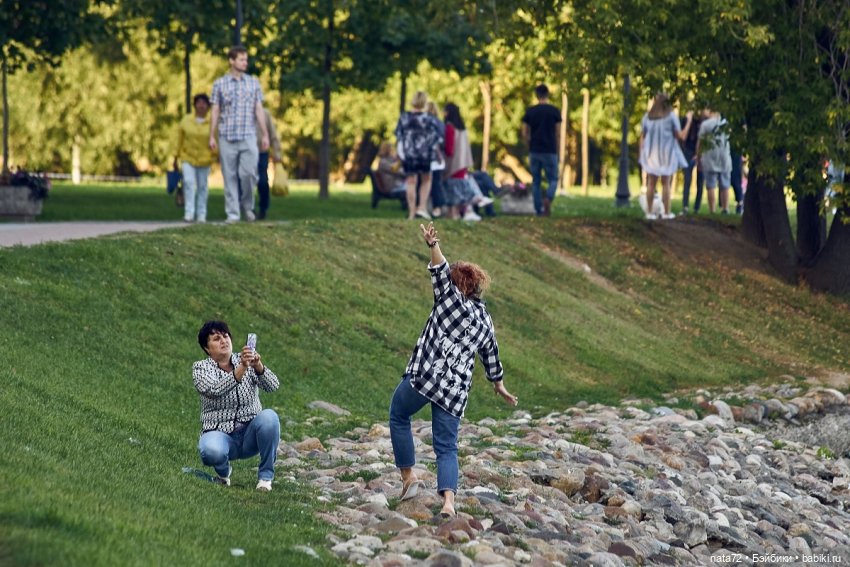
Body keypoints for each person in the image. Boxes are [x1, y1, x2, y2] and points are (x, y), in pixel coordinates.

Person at [389, 222, 518, 518]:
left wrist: (433, 245)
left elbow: (439, 268)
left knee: (398, 412)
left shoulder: (448, 298)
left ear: (456, 284)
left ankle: (408, 478)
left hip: (425, 378)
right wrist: (498, 385)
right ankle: (448, 502)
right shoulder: (485, 319)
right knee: (447, 447)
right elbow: (491, 353)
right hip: (454, 391)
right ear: (475, 286)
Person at [193, 320, 280, 492]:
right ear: (207, 348)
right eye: (217, 339)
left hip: (250, 435)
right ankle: (223, 474)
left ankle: (265, 478)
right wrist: (242, 368)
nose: (224, 341)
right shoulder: (200, 368)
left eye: (226, 336)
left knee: (269, 417)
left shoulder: (246, 361)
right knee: (210, 450)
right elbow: (215, 390)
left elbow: (273, 386)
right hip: (220, 434)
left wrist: (258, 367)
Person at [209, 46, 269, 223]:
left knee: (249, 174)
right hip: (226, 136)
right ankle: (233, 214)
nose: (245, 63)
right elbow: (215, 110)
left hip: (248, 135)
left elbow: (259, 109)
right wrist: (211, 135)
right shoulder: (219, 84)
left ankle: (248, 207)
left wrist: (265, 134)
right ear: (231, 61)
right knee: (230, 176)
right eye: (242, 59)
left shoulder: (253, 83)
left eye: (246, 60)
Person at [639, 93, 693, 220]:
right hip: (667, 154)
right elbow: (681, 136)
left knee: (651, 183)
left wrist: (642, 153)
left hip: (651, 154)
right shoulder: (671, 117)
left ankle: (650, 212)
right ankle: (666, 213)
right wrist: (689, 121)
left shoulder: (647, 117)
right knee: (666, 183)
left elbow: (642, 136)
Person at [396, 92, 443, 220]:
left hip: (409, 154)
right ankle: (421, 207)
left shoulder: (404, 118)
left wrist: (401, 153)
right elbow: (437, 138)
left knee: (411, 182)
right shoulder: (430, 119)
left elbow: (399, 137)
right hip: (425, 154)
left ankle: (411, 212)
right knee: (426, 179)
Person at [443, 102, 493, 221]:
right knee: (461, 189)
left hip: (453, 165)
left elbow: (449, 150)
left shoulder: (450, 127)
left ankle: (454, 214)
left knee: (453, 192)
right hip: (463, 164)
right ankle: (461, 213)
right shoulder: (462, 128)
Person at [174, 93, 216, 223]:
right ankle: (189, 213)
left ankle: (201, 214)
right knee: (189, 183)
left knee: (202, 186)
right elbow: (178, 139)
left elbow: (216, 141)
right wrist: (175, 156)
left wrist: (215, 156)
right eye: (199, 102)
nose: (201, 105)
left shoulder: (212, 122)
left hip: (205, 159)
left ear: (208, 106)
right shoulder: (186, 121)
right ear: (194, 105)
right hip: (188, 157)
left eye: (204, 103)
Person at [521, 84, 562, 216]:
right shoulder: (554, 111)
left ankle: (538, 210)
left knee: (536, 181)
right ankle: (548, 199)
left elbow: (524, 133)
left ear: (536, 95)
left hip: (535, 150)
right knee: (553, 179)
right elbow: (558, 133)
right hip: (550, 150)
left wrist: (529, 145)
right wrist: (557, 148)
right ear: (547, 94)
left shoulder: (530, 111)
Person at [696, 109, 732, 214]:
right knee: (725, 184)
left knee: (710, 185)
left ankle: (712, 209)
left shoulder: (705, 125)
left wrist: (698, 158)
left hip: (709, 157)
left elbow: (700, 142)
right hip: (724, 156)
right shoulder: (725, 123)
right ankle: (725, 208)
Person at [255, 108, 282, 220]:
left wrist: (276, 152)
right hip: (244, 153)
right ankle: (247, 208)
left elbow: (273, 134)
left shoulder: (265, 113)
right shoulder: (242, 112)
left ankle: (263, 208)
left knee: (262, 181)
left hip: (262, 152)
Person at [680, 109, 704, 215]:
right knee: (687, 179)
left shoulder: (704, 122)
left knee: (700, 181)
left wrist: (699, 154)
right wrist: (689, 121)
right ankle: (685, 205)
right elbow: (683, 137)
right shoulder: (686, 120)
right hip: (688, 151)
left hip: (700, 152)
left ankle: (696, 207)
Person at [425, 101, 447, 218]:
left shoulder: (423, 122)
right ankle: (437, 207)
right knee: (436, 182)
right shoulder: (439, 123)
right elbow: (443, 141)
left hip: (425, 157)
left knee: (425, 182)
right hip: (437, 159)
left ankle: (426, 207)